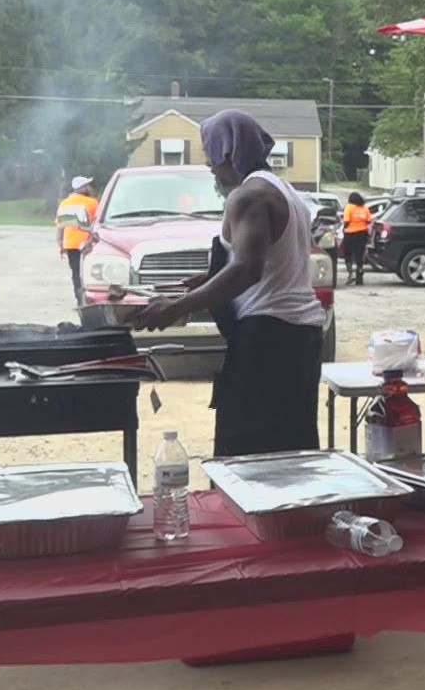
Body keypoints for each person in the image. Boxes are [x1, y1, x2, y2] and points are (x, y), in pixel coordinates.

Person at [131, 111, 327, 456]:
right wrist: (201, 282)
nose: (209, 166)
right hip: (301, 336)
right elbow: (270, 264)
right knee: (292, 450)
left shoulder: (247, 195)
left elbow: (247, 270)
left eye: (210, 155)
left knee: (246, 454)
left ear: (226, 152)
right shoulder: (286, 191)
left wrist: (177, 307)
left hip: (267, 339)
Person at [57, 176, 100, 307]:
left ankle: (79, 298)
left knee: (76, 272)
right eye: (88, 185)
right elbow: (97, 223)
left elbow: (61, 226)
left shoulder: (64, 203)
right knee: (90, 272)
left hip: (70, 243)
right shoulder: (92, 203)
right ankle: (90, 299)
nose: (90, 187)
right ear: (83, 188)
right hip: (88, 243)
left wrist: (60, 242)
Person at [341, 191, 373, 285]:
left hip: (350, 234)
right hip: (362, 233)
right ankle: (359, 275)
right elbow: (368, 220)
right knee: (360, 254)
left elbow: (346, 220)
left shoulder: (349, 207)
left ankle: (350, 274)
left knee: (348, 254)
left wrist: (344, 228)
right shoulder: (365, 208)